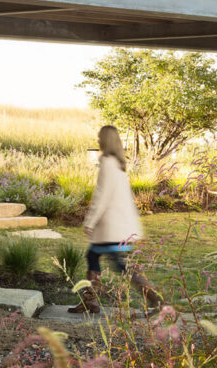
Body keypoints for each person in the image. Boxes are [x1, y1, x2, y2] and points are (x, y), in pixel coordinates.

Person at [68, 124, 162, 314]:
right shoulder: (119, 163)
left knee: (117, 264)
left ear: (105, 140)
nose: (97, 140)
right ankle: (91, 301)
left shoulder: (107, 162)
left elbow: (102, 194)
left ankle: (158, 301)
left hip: (112, 227)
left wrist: (90, 222)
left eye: (99, 137)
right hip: (119, 226)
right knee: (104, 259)